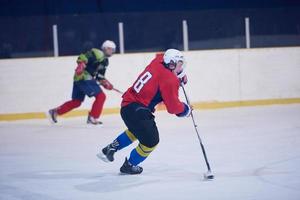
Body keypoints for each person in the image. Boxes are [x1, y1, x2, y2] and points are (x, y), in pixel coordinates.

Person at [98, 49, 190, 174]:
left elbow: (161, 64)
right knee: (151, 141)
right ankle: (129, 165)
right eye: (179, 64)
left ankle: (111, 148)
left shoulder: (158, 61)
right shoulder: (170, 80)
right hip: (138, 111)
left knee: (138, 131)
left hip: (127, 107)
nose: (181, 67)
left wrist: (178, 75)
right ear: (171, 64)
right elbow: (173, 108)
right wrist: (186, 109)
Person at [48, 40, 116, 125]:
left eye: (113, 50)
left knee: (76, 102)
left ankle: (55, 112)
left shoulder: (105, 61)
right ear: (104, 48)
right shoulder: (96, 53)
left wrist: (106, 83)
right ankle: (93, 117)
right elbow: (83, 56)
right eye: (110, 49)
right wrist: (81, 64)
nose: (111, 51)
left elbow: (99, 76)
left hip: (79, 79)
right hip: (84, 78)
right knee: (101, 96)